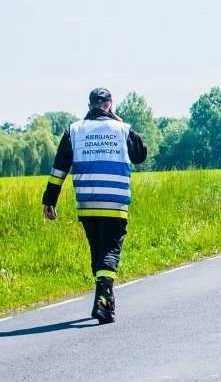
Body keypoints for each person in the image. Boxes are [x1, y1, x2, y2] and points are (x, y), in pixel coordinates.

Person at [42, 88, 147, 323]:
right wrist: (119, 120)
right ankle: (103, 300)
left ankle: (104, 299)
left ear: (89, 106)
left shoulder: (74, 130)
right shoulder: (122, 129)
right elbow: (140, 155)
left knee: (98, 251)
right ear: (110, 104)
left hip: (87, 203)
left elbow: (59, 168)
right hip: (114, 202)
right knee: (109, 252)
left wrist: (49, 199)